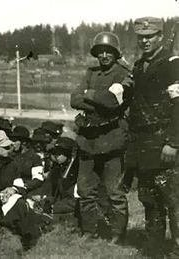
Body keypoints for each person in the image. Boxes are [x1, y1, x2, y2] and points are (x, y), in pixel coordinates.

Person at [126, 17, 179, 257]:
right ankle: (154, 249)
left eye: (150, 36)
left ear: (160, 36)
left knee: (174, 201)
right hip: (144, 146)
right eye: (141, 37)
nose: (145, 41)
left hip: (165, 144)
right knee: (150, 200)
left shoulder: (172, 63)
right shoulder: (139, 66)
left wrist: (173, 142)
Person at [70, 31, 130, 241]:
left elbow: (112, 102)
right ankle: (89, 231)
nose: (104, 55)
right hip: (88, 141)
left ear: (116, 53)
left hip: (112, 139)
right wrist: (95, 97)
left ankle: (117, 234)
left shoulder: (123, 74)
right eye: (100, 52)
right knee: (86, 190)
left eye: (108, 51)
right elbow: (74, 99)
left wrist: (89, 94)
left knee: (114, 192)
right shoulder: (90, 72)